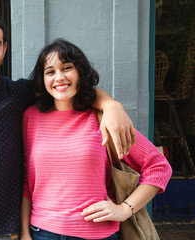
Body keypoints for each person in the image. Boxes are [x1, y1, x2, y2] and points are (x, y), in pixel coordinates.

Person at [0, 9, 136, 240]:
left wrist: (110, 105)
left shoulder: (20, 94)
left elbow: (65, 87)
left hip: (6, 233)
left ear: (4, 49)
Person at [20, 39, 172, 240]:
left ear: (80, 73)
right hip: (42, 233)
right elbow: (27, 184)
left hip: (97, 234)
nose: (59, 77)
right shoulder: (31, 117)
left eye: (67, 68)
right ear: (43, 79)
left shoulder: (103, 118)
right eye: (50, 71)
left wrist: (125, 209)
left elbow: (159, 166)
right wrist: (24, 234)